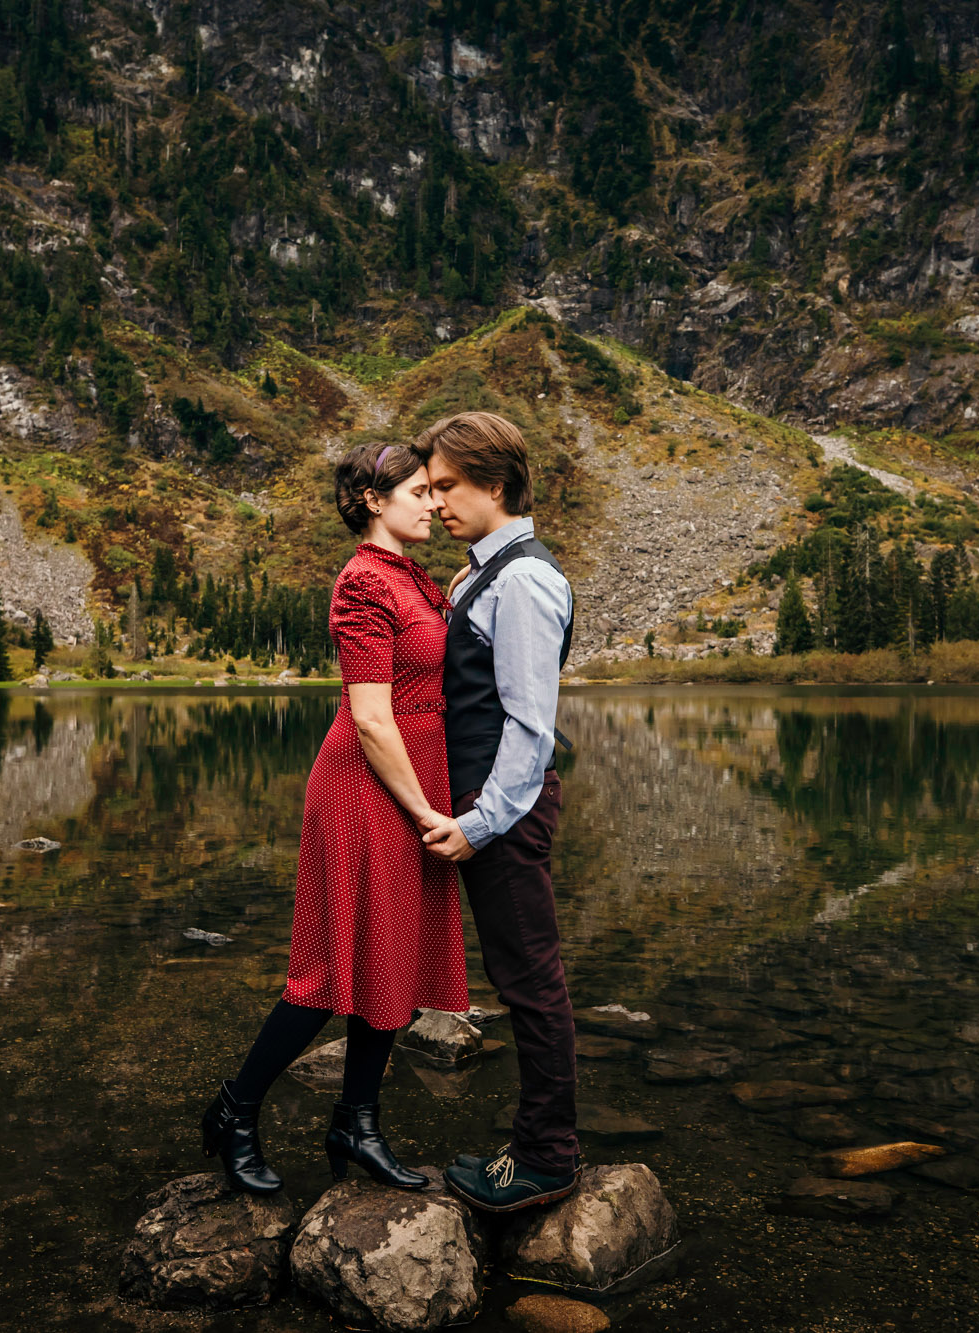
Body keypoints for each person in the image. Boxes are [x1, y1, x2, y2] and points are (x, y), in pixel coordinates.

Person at [200, 441, 467, 1194]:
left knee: (393, 958)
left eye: (433, 490)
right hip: (367, 786)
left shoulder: (412, 576)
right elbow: (373, 717)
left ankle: (357, 1119)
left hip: (411, 784)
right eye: (418, 491)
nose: (432, 503)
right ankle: (237, 1107)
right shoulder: (361, 583)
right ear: (374, 500)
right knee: (326, 971)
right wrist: (424, 812)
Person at [412, 411, 580, 1213]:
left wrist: (477, 823)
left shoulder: (523, 579)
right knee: (525, 978)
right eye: (432, 487)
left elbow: (529, 725)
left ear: (496, 484)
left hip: (502, 809)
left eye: (448, 486)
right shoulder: (484, 571)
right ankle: (542, 1146)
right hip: (489, 805)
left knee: (531, 983)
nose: (436, 501)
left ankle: (547, 1158)